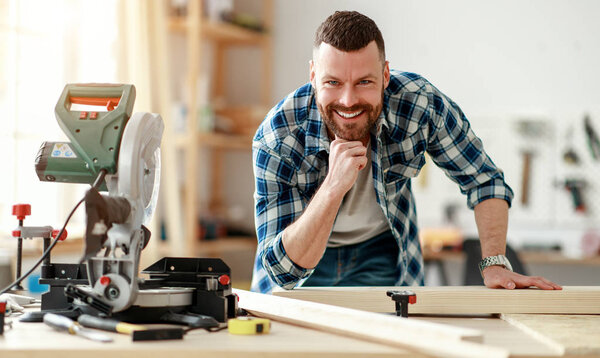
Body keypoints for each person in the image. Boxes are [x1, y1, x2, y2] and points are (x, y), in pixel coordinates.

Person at [250, 10, 561, 294]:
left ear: (385, 76)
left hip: (380, 254)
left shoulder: (419, 104)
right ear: (313, 76)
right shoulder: (278, 138)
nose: (348, 100)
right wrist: (333, 187)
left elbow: (485, 180)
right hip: (301, 260)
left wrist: (493, 262)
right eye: (333, 82)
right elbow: (283, 271)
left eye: (364, 82)